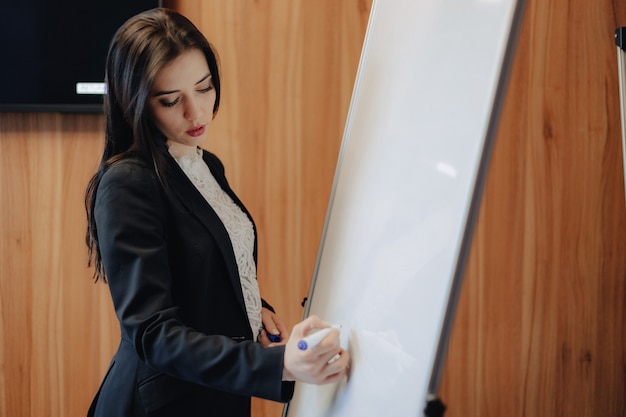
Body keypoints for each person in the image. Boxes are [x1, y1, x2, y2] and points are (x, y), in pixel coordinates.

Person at [84, 8, 349, 417]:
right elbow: (153, 334)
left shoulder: (205, 165)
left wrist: (254, 311)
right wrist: (278, 365)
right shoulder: (127, 182)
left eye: (204, 88)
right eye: (171, 100)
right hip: (163, 405)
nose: (196, 113)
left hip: (214, 393)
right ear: (132, 101)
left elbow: (204, 268)